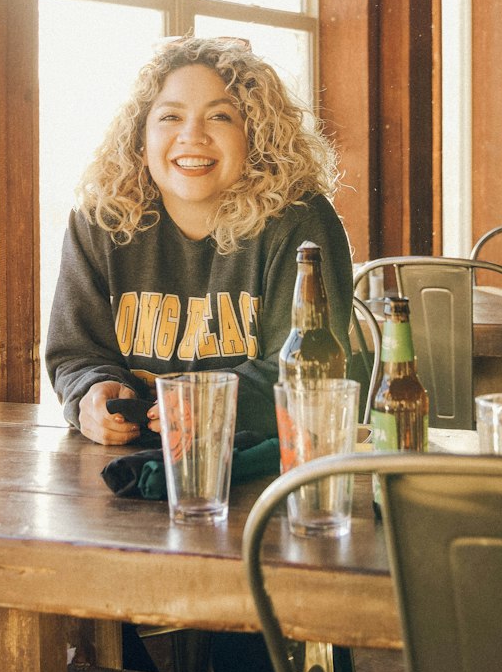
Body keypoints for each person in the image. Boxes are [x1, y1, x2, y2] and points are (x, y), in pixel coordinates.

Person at [45, 34, 355, 447]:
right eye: (170, 117)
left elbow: (308, 370)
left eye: (220, 117)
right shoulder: (101, 221)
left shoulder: (299, 224)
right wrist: (90, 391)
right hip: (122, 462)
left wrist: (210, 403)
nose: (192, 135)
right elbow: (76, 353)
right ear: (140, 139)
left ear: (256, 137)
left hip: (264, 466)